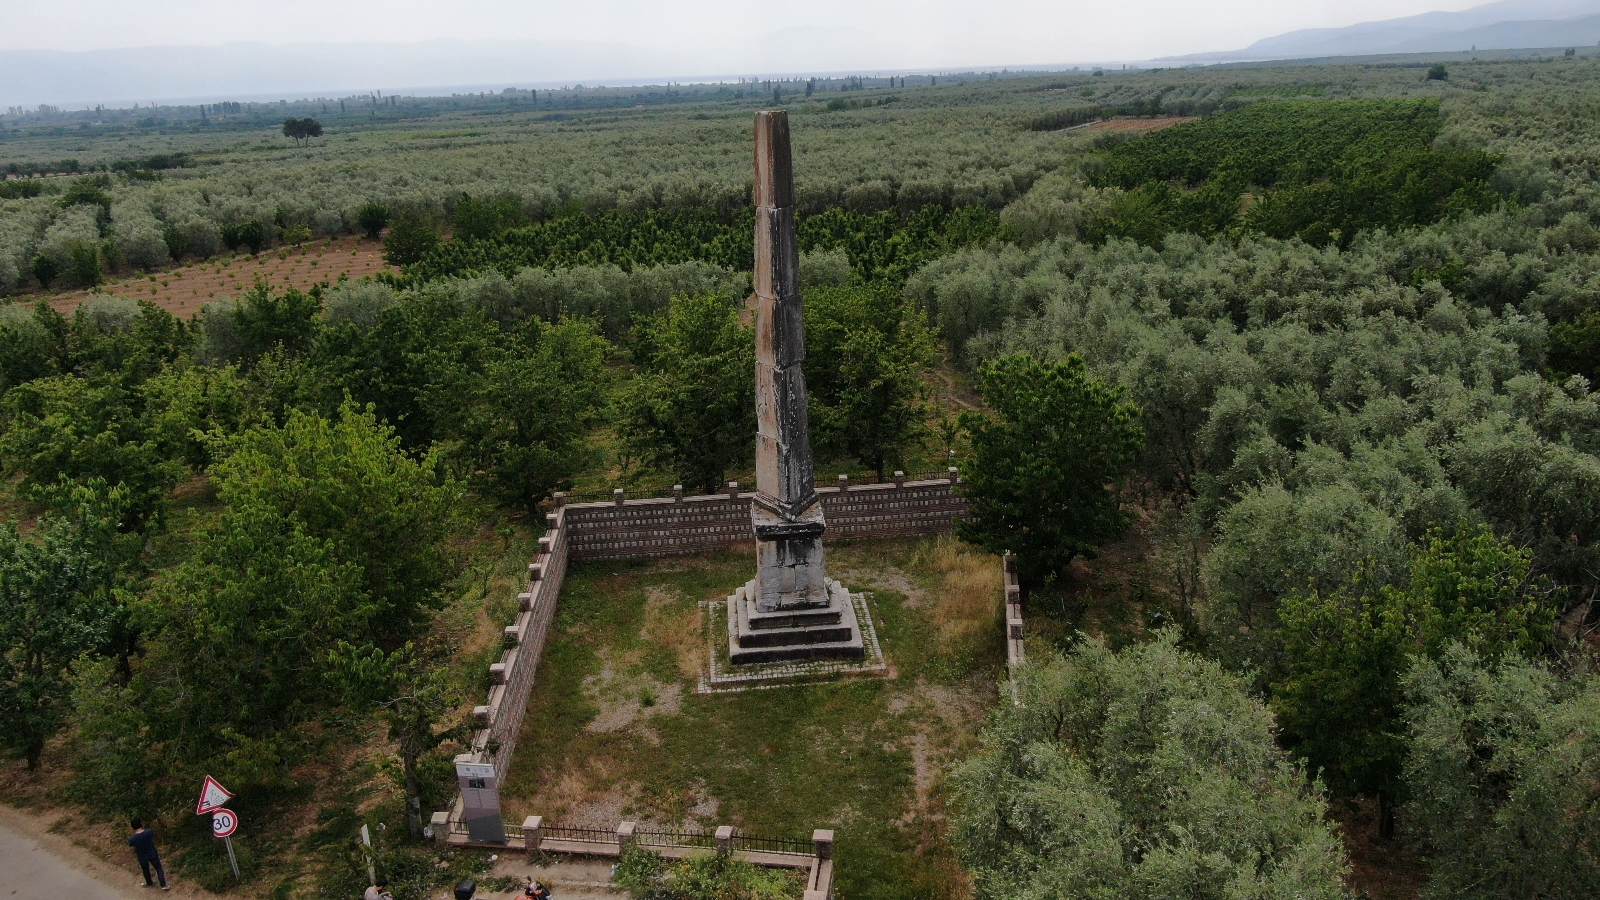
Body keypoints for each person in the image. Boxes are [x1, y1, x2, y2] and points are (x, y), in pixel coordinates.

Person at [127, 819, 169, 890]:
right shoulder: (149, 832)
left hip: (142, 856)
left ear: (132, 827)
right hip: (152, 853)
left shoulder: (132, 839)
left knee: (145, 869)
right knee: (158, 868)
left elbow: (131, 846)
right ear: (141, 824)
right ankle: (163, 885)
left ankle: (149, 883)